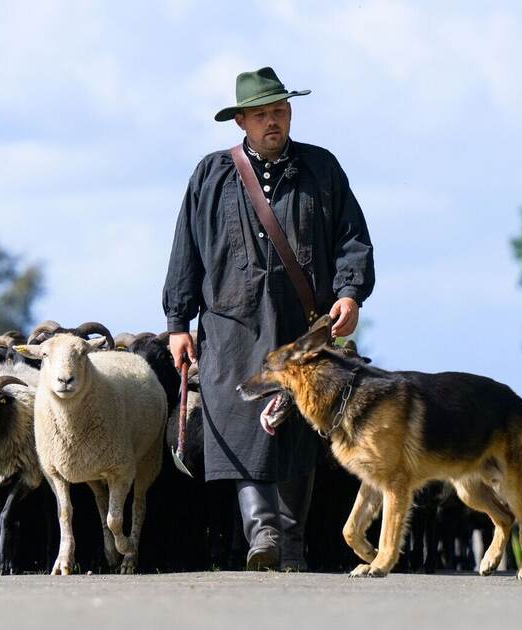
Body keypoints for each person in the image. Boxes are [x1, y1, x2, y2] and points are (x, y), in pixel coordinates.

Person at [162, 66, 374, 571]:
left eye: (279, 111)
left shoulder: (322, 169)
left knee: (300, 429)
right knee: (239, 424)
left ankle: (292, 541)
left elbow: (352, 237)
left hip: (303, 329)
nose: (273, 121)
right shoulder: (210, 175)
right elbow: (185, 251)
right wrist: (177, 323)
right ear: (241, 122)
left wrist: (349, 293)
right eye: (261, 115)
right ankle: (263, 537)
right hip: (230, 326)